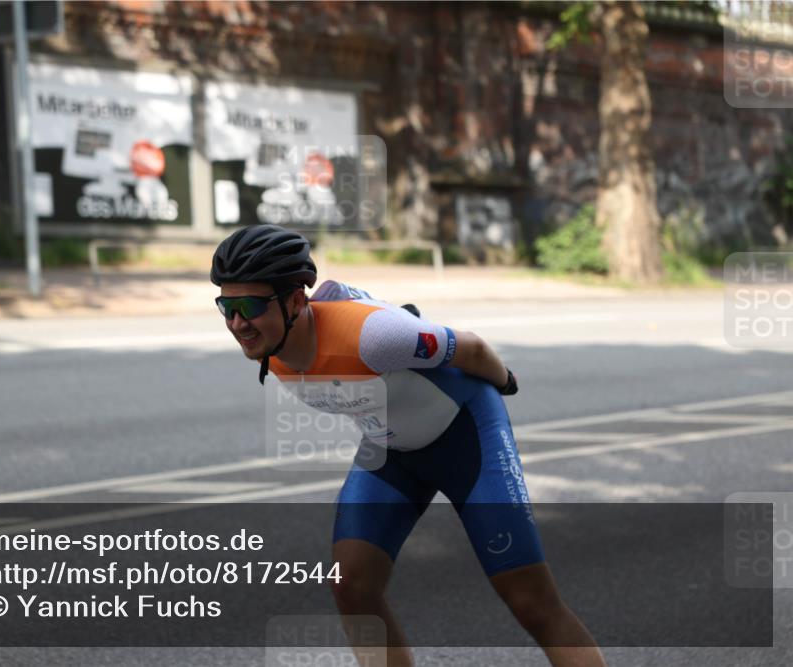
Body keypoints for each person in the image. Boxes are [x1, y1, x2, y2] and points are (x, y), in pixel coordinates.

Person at [211, 224, 607, 667]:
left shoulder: (374, 336)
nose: (237, 323)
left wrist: (507, 383)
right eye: (227, 307)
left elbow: (473, 350)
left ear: (296, 301)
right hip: (391, 448)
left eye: (249, 306)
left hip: (466, 436)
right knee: (351, 585)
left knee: (531, 602)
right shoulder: (269, 342)